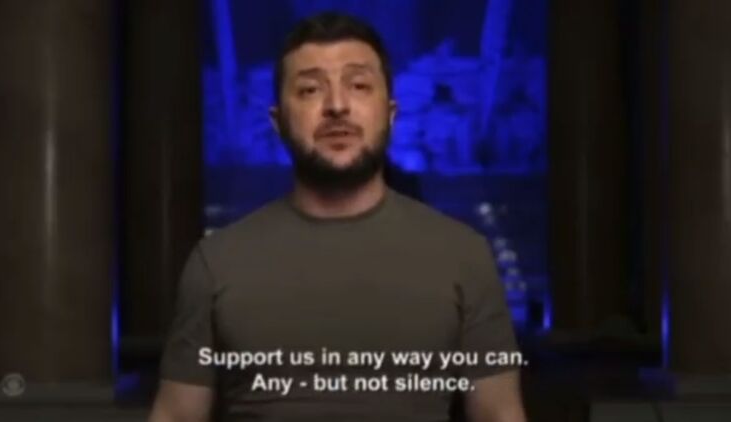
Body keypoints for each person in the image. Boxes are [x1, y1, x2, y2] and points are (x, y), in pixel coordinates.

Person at [149, 12, 526, 422]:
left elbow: (500, 414)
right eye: (310, 90)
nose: (337, 106)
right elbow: (175, 415)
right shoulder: (216, 263)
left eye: (359, 85)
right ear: (277, 121)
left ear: (391, 113)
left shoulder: (463, 256)